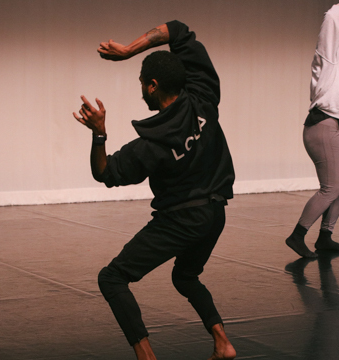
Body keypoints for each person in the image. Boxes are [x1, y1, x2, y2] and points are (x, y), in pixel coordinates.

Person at [72, 21, 236, 360]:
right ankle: (223, 342)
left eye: (141, 85)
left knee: (112, 278)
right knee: (186, 276)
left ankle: (146, 356)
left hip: (180, 220)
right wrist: (130, 50)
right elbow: (177, 30)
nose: (140, 91)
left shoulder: (151, 145)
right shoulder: (204, 98)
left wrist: (99, 132)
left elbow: (104, 172)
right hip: (215, 214)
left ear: (153, 86)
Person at [285, 3, 339, 258]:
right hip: (325, 127)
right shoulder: (329, 57)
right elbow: (332, 16)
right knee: (331, 187)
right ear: (337, 41)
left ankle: (325, 237)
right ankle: (297, 235)